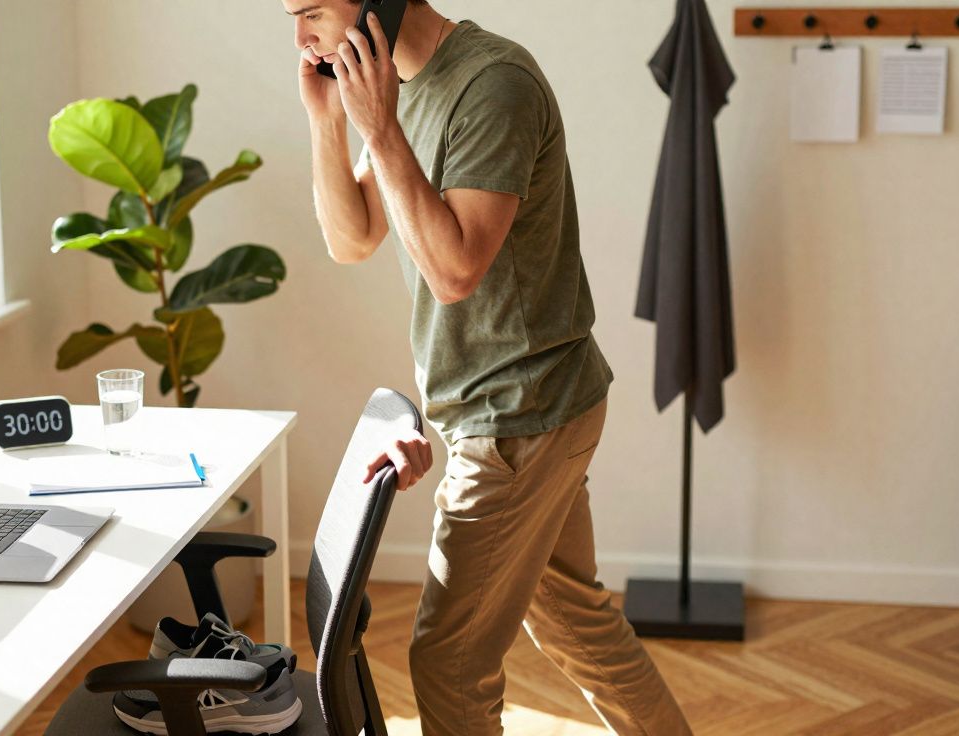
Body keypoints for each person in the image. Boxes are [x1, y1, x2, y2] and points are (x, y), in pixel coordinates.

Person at [284, 1, 693, 733]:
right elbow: (352, 240)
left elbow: (456, 268)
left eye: (312, 10)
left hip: (520, 419)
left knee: (448, 663)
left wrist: (379, 127)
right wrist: (328, 119)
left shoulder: (494, 83)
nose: (300, 34)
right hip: (527, 409)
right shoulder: (402, 92)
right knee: (579, 628)